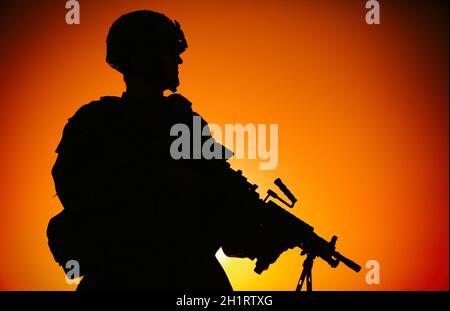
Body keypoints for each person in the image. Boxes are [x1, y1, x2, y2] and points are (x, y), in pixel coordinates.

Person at [47, 10, 289, 290]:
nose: (178, 59)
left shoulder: (183, 122)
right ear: (145, 55)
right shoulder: (96, 122)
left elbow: (227, 217)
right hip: (140, 277)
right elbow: (78, 194)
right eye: (169, 51)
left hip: (165, 275)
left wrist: (260, 236)